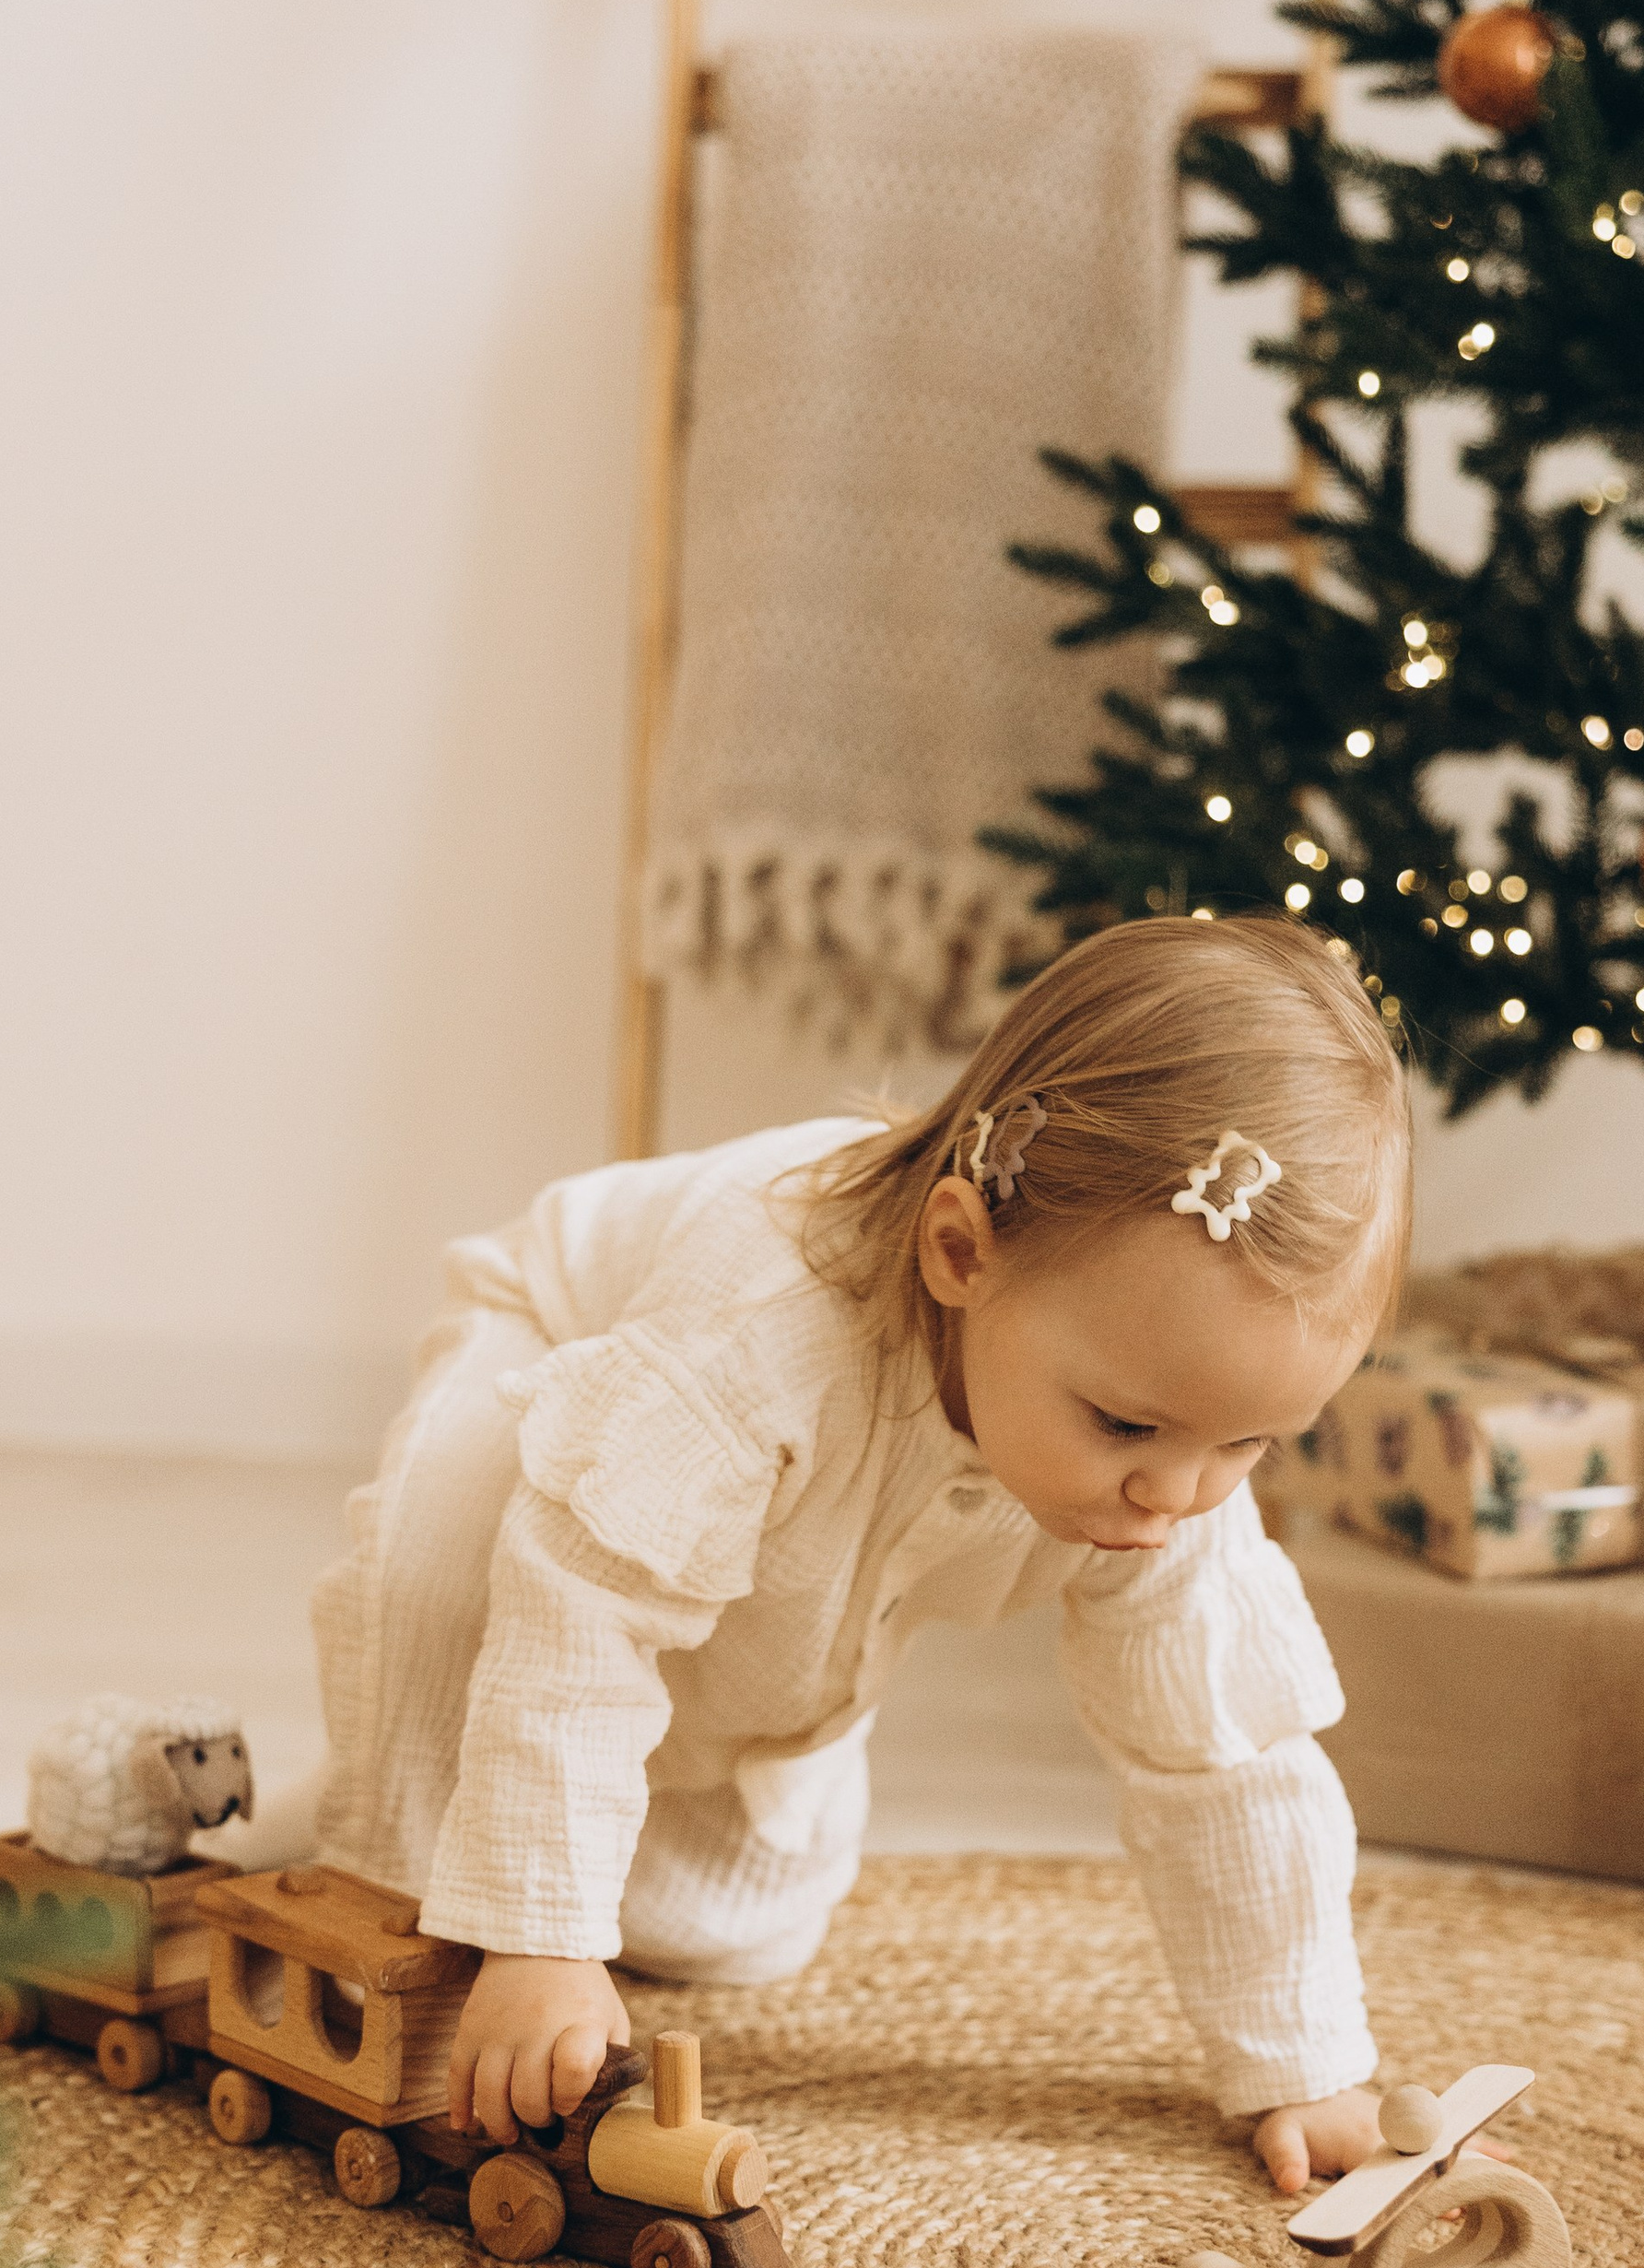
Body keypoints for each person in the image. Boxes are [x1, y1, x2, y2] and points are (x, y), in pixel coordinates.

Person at [307, 913, 1409, 2195]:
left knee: (731, 1925)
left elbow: (1222, 1752)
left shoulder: (1173, 1453)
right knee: (450, 1573)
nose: (1177, 1493)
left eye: (1252, 1444)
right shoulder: (760, 1327)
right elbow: (588, 1604)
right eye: (1125, 1426)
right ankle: (378, 1873)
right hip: (565, 1372)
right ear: (961, 1255)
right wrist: (538, 1936)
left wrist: (1305, 2062)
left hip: (784, 1561)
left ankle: (556, 1831)